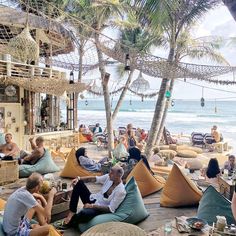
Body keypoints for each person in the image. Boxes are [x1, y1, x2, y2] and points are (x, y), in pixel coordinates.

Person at [58, 165, 126, 229]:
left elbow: (110, 209)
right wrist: (79, 178)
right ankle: (72, 212)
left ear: (118, 176)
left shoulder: (121, 191)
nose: (109, 174)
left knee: (84, 213)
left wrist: (92, 206)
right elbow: (94, 178)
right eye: (110, 171)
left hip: (100, 209)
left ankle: (71, 222)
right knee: (79, 183)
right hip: (94, 198)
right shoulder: (109, 178)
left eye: (112, 173)